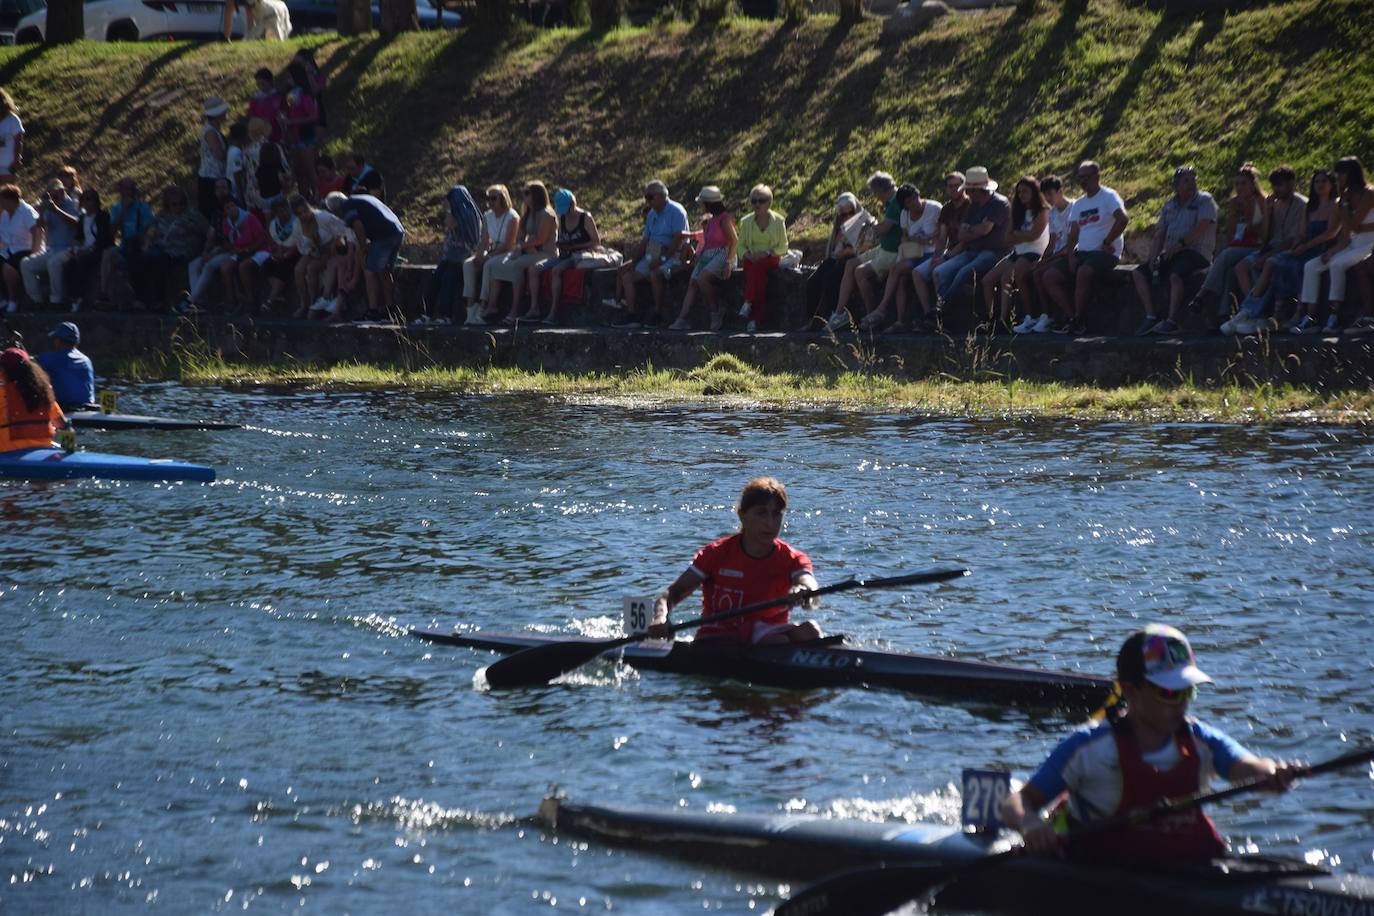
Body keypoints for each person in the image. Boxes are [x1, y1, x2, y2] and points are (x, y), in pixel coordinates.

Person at [999, 625, 1299, 865]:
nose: (1180, 704)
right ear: (1130, 690)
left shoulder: (1200, 739)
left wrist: (1272, 773)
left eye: (1187, 691)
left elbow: (1246, 766)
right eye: (1169, 692)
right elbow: (1017, 802)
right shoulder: (1088, 747)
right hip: (1100, 873)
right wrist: (1031, 827)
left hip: (1186, 869)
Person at [645, 476, 823, 648]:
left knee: (810, 631)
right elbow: (671, 594)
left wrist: (806, 592)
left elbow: (810, 586)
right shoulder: (715, 554)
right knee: (779, 643)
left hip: (768, 632)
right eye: (761, 513)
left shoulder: (792, 558)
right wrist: (660, 618)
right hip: (720, 637)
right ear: (742, 516)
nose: (770, 523)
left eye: (776, 514)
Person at [1233, 170, 1336, 334]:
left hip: (1314, 249)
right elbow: (1266, 236)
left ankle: (1257, 312)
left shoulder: (1304, 204)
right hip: (1285, 247)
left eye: (1280, 185)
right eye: (1317, 182)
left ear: (1291, 184)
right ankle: (1252, 311)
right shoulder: (1294, 206)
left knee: (1275, 264)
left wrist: (1297, 247)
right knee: (1248, 266)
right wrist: (1267, 212)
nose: (1276, 189)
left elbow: (1322, 234)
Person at [1040, 161, 1128, 336]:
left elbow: (1123, 219)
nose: (1083, 181)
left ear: (1097, 176)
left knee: (1084, 272)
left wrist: (1107, 241)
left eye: (1086, 177)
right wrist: (1071, 255)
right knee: (1049, 276)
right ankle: (1073, 317)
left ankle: (1079, 319)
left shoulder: (1108, 196)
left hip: (1104, 253)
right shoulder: (1079, 204)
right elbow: (1073, 234)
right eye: (1080, 178)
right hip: (1083, 252)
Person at [1133, 166, 1218, 336]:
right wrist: (1153, 258)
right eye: (1186, 180)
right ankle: (1151, 316)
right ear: (1176, 184)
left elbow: (1202, 226)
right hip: (1173, 252)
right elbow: (1160, 234)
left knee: (1175, 275)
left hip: (1196, 253)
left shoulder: (1205, 200)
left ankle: (1171, 321)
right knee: (1139, 273)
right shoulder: (1170, 205)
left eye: (1193, 179)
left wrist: (1180, 244)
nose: (1191, 183)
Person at [1293, 156, 1374, 334]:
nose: (1338, 179)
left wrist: (1344, 204)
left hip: (1368, 245)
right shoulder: (1343, 199)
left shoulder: (1368, 194)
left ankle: (1334, 315)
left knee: (1337, 265)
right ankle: (1310, 317)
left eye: (1341, 174)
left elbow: (1353, 224)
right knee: (1311, 266)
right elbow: (1345, 231)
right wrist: (1333, 250)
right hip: (1352, 244)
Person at [1183, 162, 1267, 323]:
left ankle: (1202, 295)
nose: (1240, 188)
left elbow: (1262, 233)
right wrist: (1236, 212)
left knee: (1227, 255)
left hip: (1256, 247)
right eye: (1237, 184)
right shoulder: (1234, 203)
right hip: (1238, 247)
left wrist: (1249, 214)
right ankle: (1223, 314)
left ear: (1252, 184)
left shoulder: (1262, 202)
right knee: (1229, 270)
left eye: (1244, 184)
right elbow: (1230, 233)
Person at [931, 166, 1011, 322]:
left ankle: (942, 309)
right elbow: (962, 234)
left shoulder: (999, 204)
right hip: (971, 250)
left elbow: (985, 230)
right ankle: (946, 313)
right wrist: (973, 230)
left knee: (963, 272)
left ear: (978, 190)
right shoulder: (973, 205)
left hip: (995, 252)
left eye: (968, 190)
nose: (966, 193)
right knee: (942, 271)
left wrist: (971, 230)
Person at [528, 188, 617, 325]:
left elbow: (596, 242)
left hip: (579, 255)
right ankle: (534, 308)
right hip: (564, 254)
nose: (565, 213)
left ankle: (554, 312)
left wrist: (573, 247)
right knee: (534, 269)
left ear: (572, 204)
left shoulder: (585, 217)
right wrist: (562, 244)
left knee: (556, 271)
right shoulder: (562, 217)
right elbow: (564, 237)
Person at [608, 179, 689, 329]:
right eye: (646, 197)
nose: (647, 201)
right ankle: (632, 315)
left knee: (654, 274)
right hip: (652, 253)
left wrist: (663, 259)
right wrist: (634, 261)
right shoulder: (652, 214)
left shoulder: (677, 211)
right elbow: (645, 240)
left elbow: (679, 240)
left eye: (650, 197)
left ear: (661, 196)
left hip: (673, 254)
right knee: (627, 275)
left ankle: (657, 313)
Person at [860, 184, 940, 333]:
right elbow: (904, 235)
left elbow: (943, 234)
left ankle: (928, 314)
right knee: (898, 273)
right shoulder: (905, 214)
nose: (914, 203)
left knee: (913, 273)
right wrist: (907, 240)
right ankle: (897, 319)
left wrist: (926, 240)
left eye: (914, 198)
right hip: (914, 253)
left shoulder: (934, 209)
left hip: (932, 253)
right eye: (908, 202)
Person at [828, 171, 902, 331]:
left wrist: (869, 229)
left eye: (875, 193)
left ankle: (872, 316)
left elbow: (885, 228)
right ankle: (839, 313)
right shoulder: (890, 202)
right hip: (883, 248)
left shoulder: (896, 202)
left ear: (880, 190)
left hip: (893, 252)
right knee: (851, 264)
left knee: (860, 272)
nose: (875, 197)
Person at [978, 175, 1047, 333]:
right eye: (1019, 192)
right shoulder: (1016, 212)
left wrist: (1018, 234)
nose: (1021, 194)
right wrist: (1021, 234)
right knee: (987, 280)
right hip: (1017, 252)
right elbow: (1007, 238)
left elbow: (1034, 235)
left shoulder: (1042, 211)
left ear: (1034, 192)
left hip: (1034, 253)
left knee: (1006, 278)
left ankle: (1004, 320)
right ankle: (991, 319)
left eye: (1025, 191)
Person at [325, 190, 404, 322]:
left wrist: (363, 248)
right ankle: (391, 311)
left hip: (383, 235)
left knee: (370, 271)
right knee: (384, 272)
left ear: (336, 209)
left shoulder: (347, 206)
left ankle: (373, 311)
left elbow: (358, 226)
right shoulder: (359, 199)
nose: (337, 216)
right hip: (397, 231)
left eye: (334, 213)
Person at [668, 186, 736, 332]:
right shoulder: (711, 221)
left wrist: (729, 263)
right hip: (709, 254)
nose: (700, 206)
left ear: (709, 203)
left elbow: (734, 240)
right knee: (693, 281)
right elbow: (708, 243)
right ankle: (682, 319)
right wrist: (697, 258)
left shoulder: (724, 219)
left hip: (723, 253)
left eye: (702, 203)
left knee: (702, 279)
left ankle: (715, 312)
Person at [489, 180, 558, 323]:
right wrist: (521, 245)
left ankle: (517, 310)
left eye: (527, 193)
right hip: (530, 251)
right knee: (499, 264)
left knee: (516, 266)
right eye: (524, 193)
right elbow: (520, 237)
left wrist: (524, 246)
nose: (524, 196)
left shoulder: (547, 214)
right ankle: (491, 306)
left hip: (546, 253)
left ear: (537, 195)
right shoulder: (527, 214)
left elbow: (541, 239)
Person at [911, 171, 971, 332]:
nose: (954, 189)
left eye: (957, 185)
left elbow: (966, 241)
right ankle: (928, 315)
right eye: (950, 186)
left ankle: (943, 316)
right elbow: (942, 237)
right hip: (949, 251)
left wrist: (945, 257)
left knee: (938, 271)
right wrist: (937, 255)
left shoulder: (970, 206)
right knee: (918, 272)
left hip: (964, 251)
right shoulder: (946, 209)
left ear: (964, 186)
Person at [184, 198, 267, 312]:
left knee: (243, 266)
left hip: (256, 250)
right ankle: (231, 300)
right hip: (238, 252)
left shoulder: (249, 218)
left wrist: (246, 249)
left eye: (232, 206)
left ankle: (250, 299)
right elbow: (229, 242)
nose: (231, 209)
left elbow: (262, 238)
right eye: (227, 208)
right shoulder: (226, 223)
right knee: (225, 268)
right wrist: (225, 250)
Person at [804, 192, 873, 330]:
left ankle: (836, 316)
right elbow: (834, 250)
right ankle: (811, 321)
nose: (847, 216)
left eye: (850, 212)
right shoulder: (839, 226)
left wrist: (849, 251)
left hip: (856, 258)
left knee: (831, 278)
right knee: (812, 281)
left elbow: (868, 248)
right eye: (843, 214)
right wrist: (840, 240)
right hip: (839, 257)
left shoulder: (867, 222)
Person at [414, 185, 481, 326]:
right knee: (435, 278)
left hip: (464, 256)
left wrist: (450, 209)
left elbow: (450, 224)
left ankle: (446, 316)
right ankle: (427, 314)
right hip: (452, 256)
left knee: (447, 279)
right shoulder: (457, 212)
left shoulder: (467, 213)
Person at [1020, 174, 1075, 334]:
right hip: (1057, 254)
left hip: (1069, 253)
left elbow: (1072, 243)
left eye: (1051, 194)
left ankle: (1060, 316)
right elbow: (1052, 241)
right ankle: (1046, 315)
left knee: (1043, 274)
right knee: (1035, 271)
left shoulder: (1074, 207)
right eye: (1046, 196)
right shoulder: (1051, 213)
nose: (1049, 199)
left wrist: (1045, 261)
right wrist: (1043, 259)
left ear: (1060, 191)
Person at [139, 187, 209, 310]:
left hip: (182, 250)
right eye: (174, 204)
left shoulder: (192, 215)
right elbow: (151, 232)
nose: (178, 207)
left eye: (181, 203)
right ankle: (141, 300)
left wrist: (205, 249)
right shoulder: (161, 216)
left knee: (159, 261)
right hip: (161, 248)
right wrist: (146, 244)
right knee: (142, 258)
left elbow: (208, 232)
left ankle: (160, 300)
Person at [289, 195, 356, 320]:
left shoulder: (323, 217)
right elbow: (302, 247)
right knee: (298, 270)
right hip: (313, 251)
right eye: (300, 213)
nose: (304, 215)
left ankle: (315, 301)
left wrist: (332, 246)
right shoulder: (297, 225)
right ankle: (304, 304)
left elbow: (343, 232)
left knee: (311, 268)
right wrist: (313, 249)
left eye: (305, 211)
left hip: (332, 249)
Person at [462, 185, 519, 326]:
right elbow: (484, 241)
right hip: (493, 250)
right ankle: (470, 308)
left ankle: (483, 306)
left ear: (503, 198)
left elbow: (508, 244)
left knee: (489, 264)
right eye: (488, 198)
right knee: (469, 264)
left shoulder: (512, 216)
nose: (490, 201)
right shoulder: (487, 216)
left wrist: (488, 256)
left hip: (507, 252)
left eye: (494, 198)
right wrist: (479, 255)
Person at [735, 184, 788, 333]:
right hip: (751, 259)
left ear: (769, 202)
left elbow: (783, 247)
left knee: (757, 269)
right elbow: (740, 247)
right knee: (759, 279)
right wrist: (748, 255)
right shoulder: (746, 222)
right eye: (754, 201)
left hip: (770, 257)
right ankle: (755, 318)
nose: (757, 204)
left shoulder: (778, 221)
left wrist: (767, 253)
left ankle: (748, 303)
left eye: (761, 200)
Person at [20, 179, 80, 310]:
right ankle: (36, 300)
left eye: (58, 193)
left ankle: (56, 301)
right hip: (52, 249)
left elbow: (76, 224)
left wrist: (56, 209)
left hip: (70, 248)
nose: (56, 196)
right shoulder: (49, 206)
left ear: (63, 191)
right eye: (52, 194)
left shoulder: (73, 204)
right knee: (26, 264)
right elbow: (40, 226)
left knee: (54, 263)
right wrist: (42, 211)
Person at [0, 346, 65, 453]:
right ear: (31, 369)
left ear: (3, 372)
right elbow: (62, 424)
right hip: (42, 453)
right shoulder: (43, 394)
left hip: (8, 456)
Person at [102, 178, 155, 307]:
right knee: (108, 254)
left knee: (136, 255)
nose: (130, 192)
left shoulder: (143, 207)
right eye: (126, 189)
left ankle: (139, 298)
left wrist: (146, 244)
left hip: (140, 242)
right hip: (125, 243)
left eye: (132, 189)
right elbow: (112, 231)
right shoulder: (117, 208)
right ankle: (104, 294)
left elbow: (150, 229)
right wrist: (123, 211)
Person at [60, 188, 114, 313]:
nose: (87, 202)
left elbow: (104, 238)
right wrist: (75, 248)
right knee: (69, 264)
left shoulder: (103, 216)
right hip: (84, 249)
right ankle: (73, 297)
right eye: (84, 199)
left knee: (84, 261)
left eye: (90, 199)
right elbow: (78, 238)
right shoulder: (83, 218)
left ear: (96, 201)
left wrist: (90, 249)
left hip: (100, 249)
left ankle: (81, 297)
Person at [244, 196, 299, 313]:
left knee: (283, 267)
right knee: (266, 267)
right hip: (279, 252)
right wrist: (277, 251)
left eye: (285, 208)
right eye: (280, 210)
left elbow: (299, 242)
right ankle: (278, 293)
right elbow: (273, 241)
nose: (283, 212)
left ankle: (270, 300)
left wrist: (286, 252)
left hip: (295, 252)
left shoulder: (297, 221)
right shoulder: (274, 224)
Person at [279, 63, 319, 204]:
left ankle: (317, 194)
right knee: (299, 170)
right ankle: (304, 196)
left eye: (290, 76)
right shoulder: (290, 93)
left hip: (305, 134)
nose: (287, 79)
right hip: (294, 135)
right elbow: (289, 111)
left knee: (309, 167)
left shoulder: (306, 93)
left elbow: (313, 116)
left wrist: (293, 121)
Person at [35, 321, 95, 411]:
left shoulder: (48, 358)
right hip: (88, 407)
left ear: (58, 340)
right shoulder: (87, 360)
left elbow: (28, 365)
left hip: (64, 409)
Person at [0, 184, 39, 314]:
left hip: (25, 249)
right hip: (9, 249)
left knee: (7, 267)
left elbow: (37, 231)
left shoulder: (26, 211)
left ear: (9, 199)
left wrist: (34, 254)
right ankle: (4, 298)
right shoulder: (5, 214)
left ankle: (13, 299)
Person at [245, 117, 292, 213]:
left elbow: (247, 173)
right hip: (276, 189)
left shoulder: (246, 151)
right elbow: (285, 168)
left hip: (255, 192)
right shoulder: (274, 147)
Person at [197, 97, 230, 220]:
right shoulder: (210, 132)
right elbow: (219, 154)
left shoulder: (212, 129)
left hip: (215, 176)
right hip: (211, 178)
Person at [247, 68, 285, 142]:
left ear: (270, 81)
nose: (260, 86)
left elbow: (283, 114)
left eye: (263, 83)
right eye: (258, 84)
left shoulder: (278, 96)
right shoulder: (255, 99)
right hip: (262, 136)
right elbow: (252, 117)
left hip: (277, 134)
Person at [0, 89, 24, 184]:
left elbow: (19, 141)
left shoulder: (13, 119)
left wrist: (16, 159)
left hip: (8, 165)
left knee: (6, 194)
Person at [225, 121, 249, 206]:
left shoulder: (231, 150)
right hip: (235, 192)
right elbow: (237, 173)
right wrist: (240, 194)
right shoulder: (236, 153)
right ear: (241, 137)